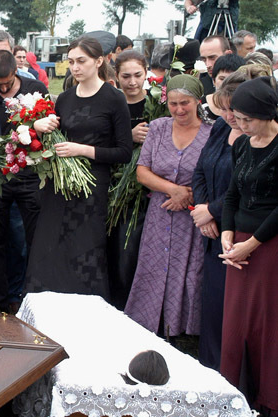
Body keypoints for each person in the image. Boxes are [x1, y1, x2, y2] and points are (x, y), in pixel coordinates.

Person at [25, 37, 132, 300]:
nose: (75, 67)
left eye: (81, 61)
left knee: (85, 247)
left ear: (99, 61)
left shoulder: (114, 98)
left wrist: (81, 150)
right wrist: (40, 126)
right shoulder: (65, 98)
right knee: (51, 246)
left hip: (92, 185)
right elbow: (55, 138)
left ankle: (88, 307)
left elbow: (124, 152)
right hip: (60, 185)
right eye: (71, 62)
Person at [125, 74, 212, 338]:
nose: (179, 109)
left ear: (197, 101)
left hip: (194, 215)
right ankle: (148, 323)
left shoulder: (212, 132)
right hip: (161, 212)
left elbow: (216, 175)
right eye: (173, 104)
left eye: (185, 103)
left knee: (189, 271)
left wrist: (188, 195)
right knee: (154, 265)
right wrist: (172, 189)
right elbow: (142, 172)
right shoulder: (159, 128)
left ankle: (184, 329)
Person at [219, 76, 278, 417]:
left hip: (268, 243)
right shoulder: (241, 144)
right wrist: (227, 233)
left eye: (246, 119)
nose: (240, 125)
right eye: (237, 118)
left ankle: (268, 398)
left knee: (266, 322)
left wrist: (251, 244)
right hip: (238, 241)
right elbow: (231, 193)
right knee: (236, 323)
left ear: (267, 114)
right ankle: (235, 394)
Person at [0, 50, 47, 313]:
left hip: (30, 176)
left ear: (18, 71)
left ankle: (32, 296)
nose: (3, 88)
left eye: (8, 82)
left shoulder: (35, 90)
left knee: (33, 239)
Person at [191, 71, 246, 370]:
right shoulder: (221, 127)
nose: (227, 115)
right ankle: (210, 367)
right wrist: (203, 209)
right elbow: (200, 169)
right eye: (223, 108)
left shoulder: (256, 138)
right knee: (212, 305)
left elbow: (246, 186)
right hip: (211, 228)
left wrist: (212, 210)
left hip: (239, 230)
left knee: (233, 308)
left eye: (233, 110)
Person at [105, 50, 151, 310]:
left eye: (138, 75)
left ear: (146, 73)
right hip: (115, 186)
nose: (132, 82)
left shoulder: (157, 103)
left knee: (133, 251)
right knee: (115, 251)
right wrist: (127, 136)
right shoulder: (112, 103)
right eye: (126, 76)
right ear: (116, 76)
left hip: (143, 190)